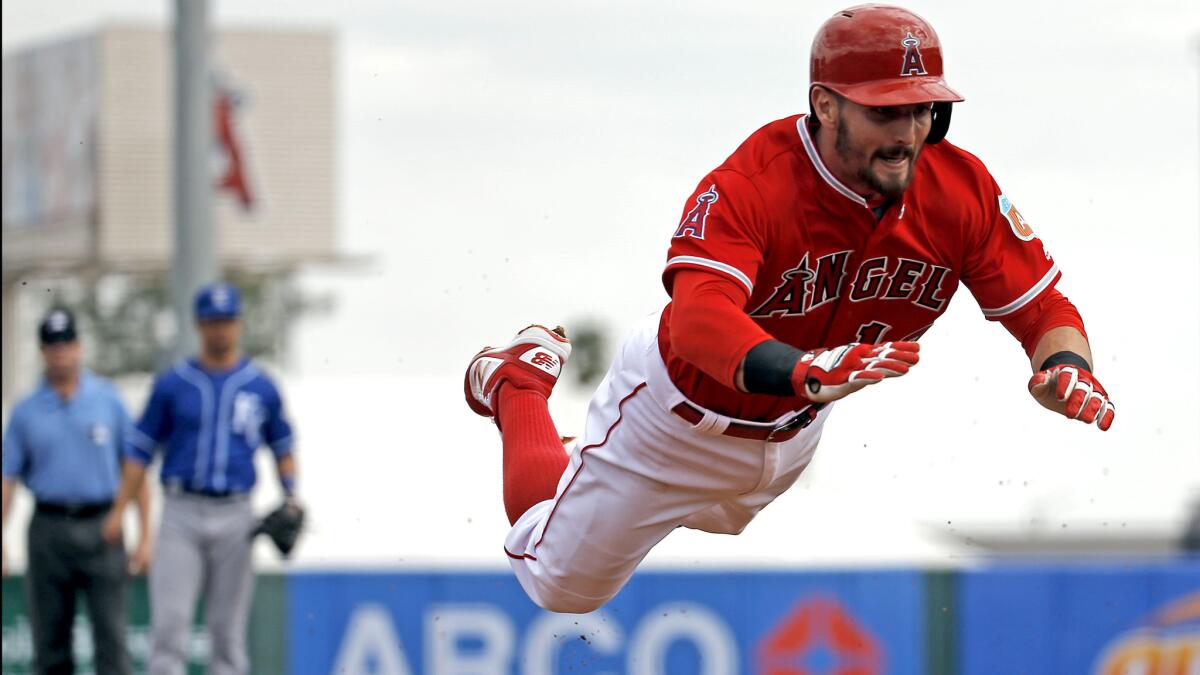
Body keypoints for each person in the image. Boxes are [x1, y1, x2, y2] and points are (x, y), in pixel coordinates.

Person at [464, 4, 1117, 614]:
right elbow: (698, 321)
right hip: (676, 421)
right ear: (824, 105)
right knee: (561, 585)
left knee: (658, 505)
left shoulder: (959, 189)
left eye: (923, 109)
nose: (909, 132)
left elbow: (1043, 305)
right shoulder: (754, 183)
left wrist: (1065, 362)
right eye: (885, 112)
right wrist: (802, 369)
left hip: (795, 433)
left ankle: (587, 458)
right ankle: (519, 384)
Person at [103, 281, 298, 675]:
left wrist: (291, 495)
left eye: (226, 320)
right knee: (170, 630)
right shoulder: (173, 384)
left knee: (227, 635)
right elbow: (140, 451)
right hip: (181, 511)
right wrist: (119, 509)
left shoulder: (261, 385)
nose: (220, 329)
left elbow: (282, 446)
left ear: (239, 324)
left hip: (237, 513)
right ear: (198, 325)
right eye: (213, 321)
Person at [2, 308, 151, 675]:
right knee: (50, 646)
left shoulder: (107, 399)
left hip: (103, 525)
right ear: (42, 351)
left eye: (67, 343)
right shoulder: (26, 411)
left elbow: (135, 469)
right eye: (53, 345)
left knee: (112, 645)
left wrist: (145, 533)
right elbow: (7, 477)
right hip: (49, 527)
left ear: (79, 346)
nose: (61, 352)